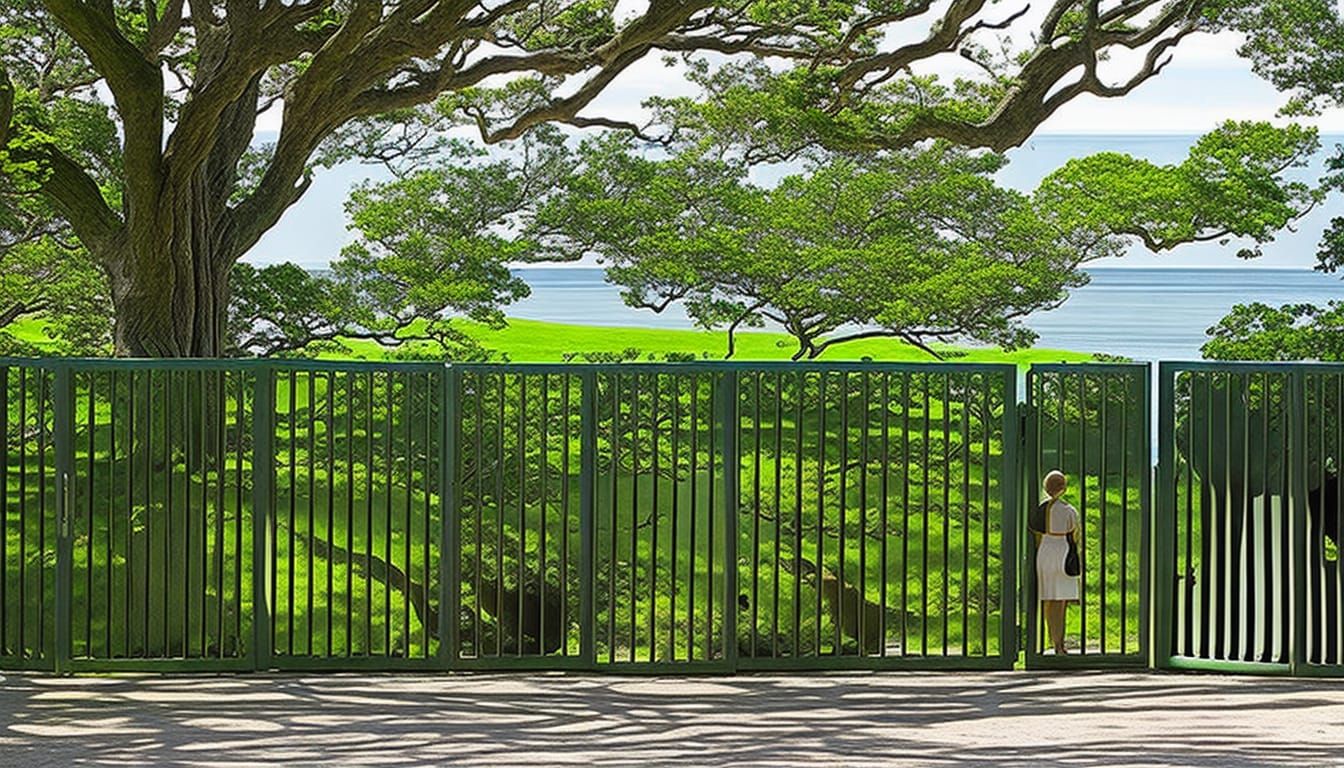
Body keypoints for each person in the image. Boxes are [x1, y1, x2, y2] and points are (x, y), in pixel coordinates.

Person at [1036, 470, 1079, 655]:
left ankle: (1051, 642)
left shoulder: (1040, 509)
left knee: (1048, 599)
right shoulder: (1069, 510)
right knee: (1061, 602)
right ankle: (1060, 644)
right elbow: (1076, 535)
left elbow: (1035, 534)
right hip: (1063, 551)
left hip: (1045, 551)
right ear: (1063, 488)